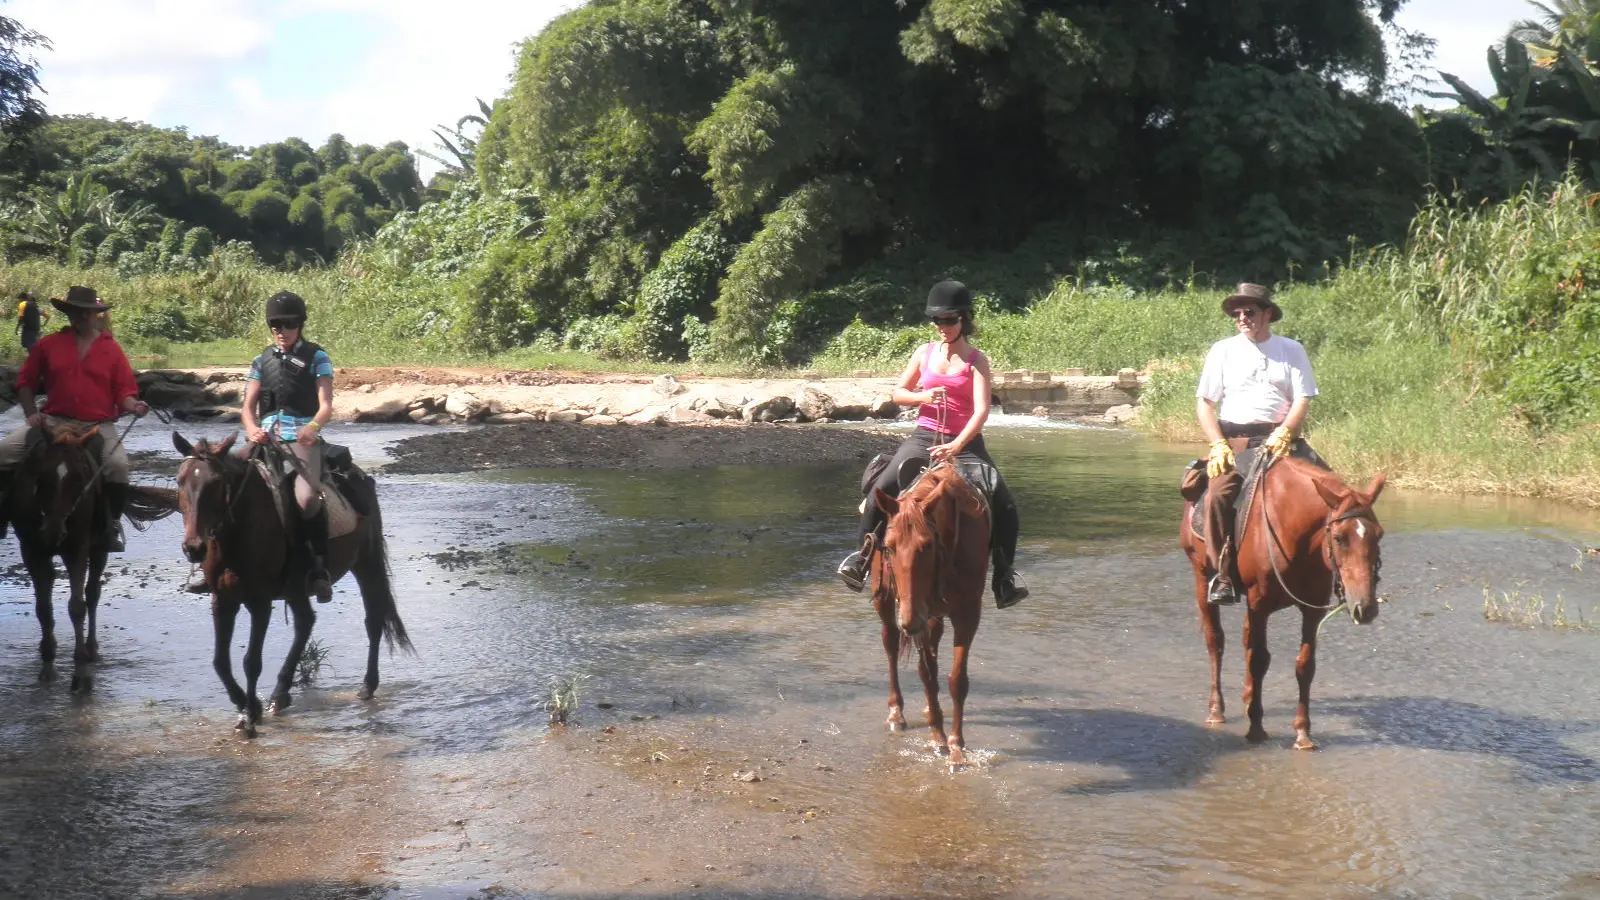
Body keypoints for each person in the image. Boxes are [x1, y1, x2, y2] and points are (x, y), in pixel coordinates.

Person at [837, 280, 1028, 608]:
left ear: (964, 319)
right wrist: (922, 396)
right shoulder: (923, 353)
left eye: (949, 320)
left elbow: (981, 411)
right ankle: (861, 558)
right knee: (878, 492)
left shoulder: (977, 361)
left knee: (1006, 506)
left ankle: (1003, 577)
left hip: (966, 443)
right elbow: (898, 393)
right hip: (923, 436)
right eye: (937, 321)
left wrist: (956, 446)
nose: (942, 327)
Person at [1195, 282, 1320, 606]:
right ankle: (1222, 576)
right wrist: (1217, 444)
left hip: (1280, 440)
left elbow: (1302, 397)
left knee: (1337, 494)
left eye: (1249, 311)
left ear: (1267, 314)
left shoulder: (1292, 350)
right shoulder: (1222, 350)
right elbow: (1205, 404)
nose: (1242, 318)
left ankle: (1335, 574)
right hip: (1234, 441)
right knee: (1218, 496)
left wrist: (1286, 432)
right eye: (1237, 313)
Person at [0, 286, 149, 549]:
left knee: (118, 466)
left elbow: (124, 392)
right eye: (76, 311)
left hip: (97, 424)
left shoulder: (111, 350)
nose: (81, 316)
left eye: (86, 312)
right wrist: (31, 415)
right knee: (3, 451)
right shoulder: (48, 345)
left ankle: (111, 524)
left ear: (95, 315)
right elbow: (26, 383)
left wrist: (134, 405)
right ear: (68, 313)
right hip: (54, 420)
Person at [238, 290, 337, 602]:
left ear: (300, 325)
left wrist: (312, 427)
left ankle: (319, 567)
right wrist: (252, 429)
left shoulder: (317, 357)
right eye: (276, 325)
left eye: (288, 325)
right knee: (222, 482)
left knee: (307, 499)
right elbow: (247, 409)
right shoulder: (260, 361)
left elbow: (326, 405)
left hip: (301, 437)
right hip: (265, 438)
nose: (281, 331)